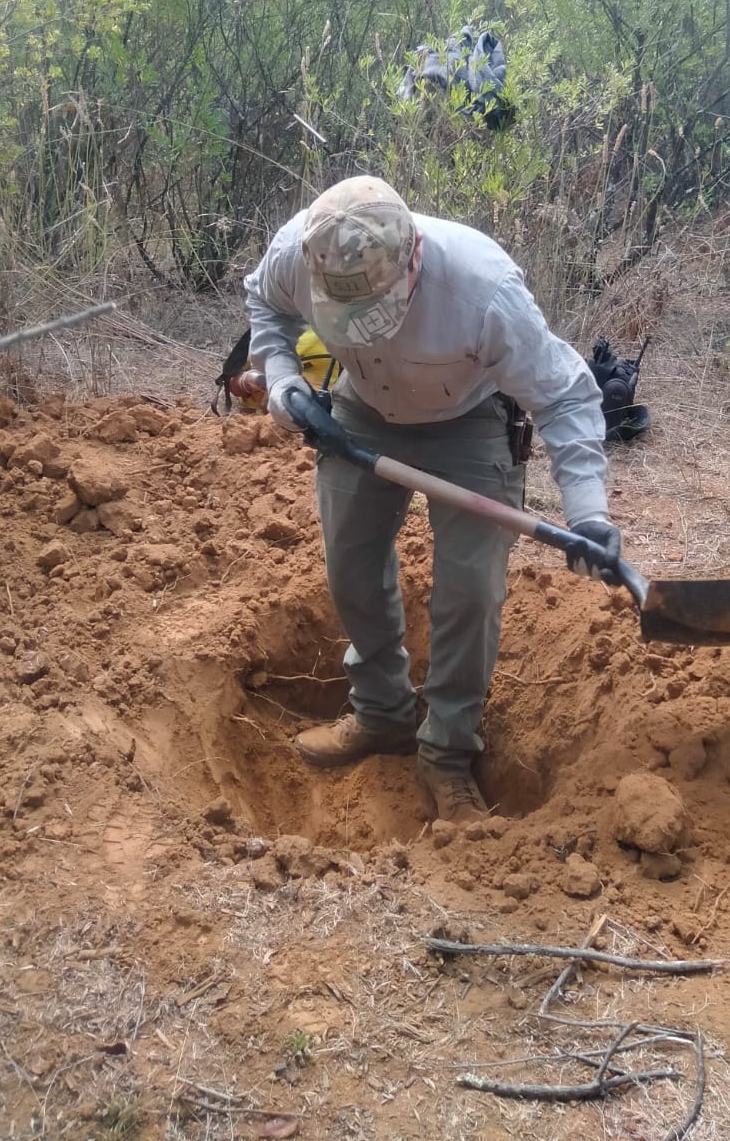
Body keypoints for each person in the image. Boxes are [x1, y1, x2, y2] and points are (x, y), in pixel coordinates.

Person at [244, 175, 620, 823]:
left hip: (469, 421)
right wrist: (284, 387)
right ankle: (382, 711)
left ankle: (447, 749)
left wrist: (588, 511)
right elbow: (264, 306)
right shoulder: (300, 252)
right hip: (358, 411)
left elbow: (563, 395)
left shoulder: (484, 291)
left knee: (470, 589)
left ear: (414, 257)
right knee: (351, 566)